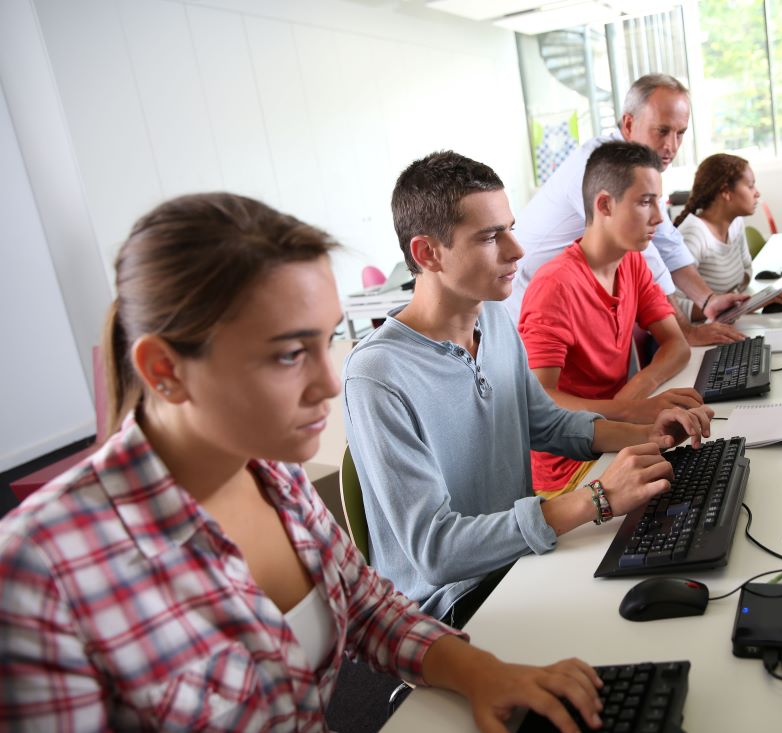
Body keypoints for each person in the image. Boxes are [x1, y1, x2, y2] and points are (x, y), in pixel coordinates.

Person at [0, 193, 610, 733]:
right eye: (290, 355)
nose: (326, 383)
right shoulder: (38, 575)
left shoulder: (273, 475)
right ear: (165, 371)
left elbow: (369, 608)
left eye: (324, 342)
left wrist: (480, 672)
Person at [342, 151, 713, 625]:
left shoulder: (493, 317)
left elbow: (546, 421)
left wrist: (648, 433)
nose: (516, 250)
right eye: (491, 237)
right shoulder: (377, 376)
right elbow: (435, 552)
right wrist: (596, 499)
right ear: (427, 253)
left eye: (510, 228)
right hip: (453, 603)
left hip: (519, 559)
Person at [505, 74, 753, 344]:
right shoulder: (599, 169)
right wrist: (686, 331)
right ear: (628, 123)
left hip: (575, 296)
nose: (671, 146)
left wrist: (708, 300)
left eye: (680, 133)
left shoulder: (638, 170)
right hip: (528, 306)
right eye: (662, 131)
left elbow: (667, 241)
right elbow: (649, 258)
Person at [518, 142, 703, 493]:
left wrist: (634, 396)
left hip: (619, 436)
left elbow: (676, 345)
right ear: (604, 204)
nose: (658, 218)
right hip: (570, 471)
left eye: (658, 202)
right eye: (645, 202)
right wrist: (630, 410)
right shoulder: (555, 285)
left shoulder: (631, 262)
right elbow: (540, 399)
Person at [672, 153, 782, 320]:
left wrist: (752, 302)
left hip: (728, 322)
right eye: (750, 186)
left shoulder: (735, 223)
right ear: (726, 192)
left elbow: (746, 270)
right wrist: (735, 306)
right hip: (700, 334)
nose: (757, 193)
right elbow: (672, 306)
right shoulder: (693, 235)